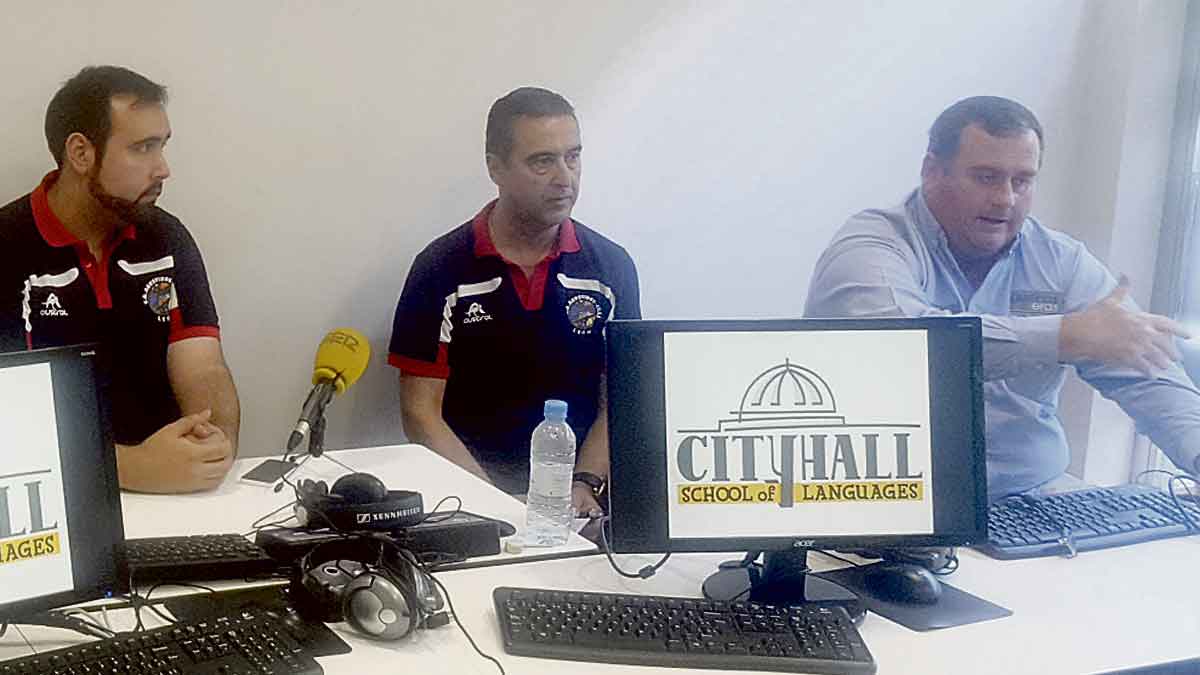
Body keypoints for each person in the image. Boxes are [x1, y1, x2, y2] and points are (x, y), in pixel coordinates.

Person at [804, 95, 1200, 502]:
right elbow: (904, 343)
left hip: (1033, 497)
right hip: (891, 504)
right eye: (987, 177)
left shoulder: (1059, 259)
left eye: (1022, 180)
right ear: (932, 171)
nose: (1006, 198)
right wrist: (1065, 336)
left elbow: (1148, 373)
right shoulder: (871, 245)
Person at [389, 87, 640, 516]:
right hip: (469, 498)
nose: (565, 178)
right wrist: (496, 505)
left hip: (583, 500)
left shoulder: (610, 267)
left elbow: (620, 398)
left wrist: (585, 484)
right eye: (543, 161)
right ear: (496, 168)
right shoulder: (440, 268)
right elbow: (420, 414)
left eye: (573, 157)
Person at [0, 66, 239, 493]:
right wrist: (127, 468)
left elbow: (203, 368)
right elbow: (9, 421)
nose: (163, 168)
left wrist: (211, 447)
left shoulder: (166, 236)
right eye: (143, 148)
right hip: (55, 503)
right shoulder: (7, 245)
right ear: (80, 153)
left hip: (174, 493)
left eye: (162, 146)